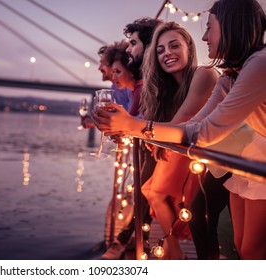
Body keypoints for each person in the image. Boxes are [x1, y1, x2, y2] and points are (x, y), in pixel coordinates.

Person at [93, 0, 266, 260]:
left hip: (253, 160)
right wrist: (133, 128)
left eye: (210, 28)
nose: (205, 36)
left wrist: (134, 127)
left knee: (251, 250)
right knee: (243, 247)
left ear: (232, 25)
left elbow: (204, 132)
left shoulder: (260, 64)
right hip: (248, 163)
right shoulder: (231, 75)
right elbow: (193, 126)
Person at [95, 21, 219, 259]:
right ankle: (174, 251)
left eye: (174, 46)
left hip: (215, 156)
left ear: (189, 48)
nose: (167, 54)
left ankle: (174, 251)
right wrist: (129, 130)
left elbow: (182, 122)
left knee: (178, 205)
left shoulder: (204, 74)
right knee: (155, 192)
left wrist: (130, 127)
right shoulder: (165, 86)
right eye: (161, 50)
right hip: (186, 148)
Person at [100, 17, 162, 260]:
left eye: (133, 43)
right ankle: (137, 241)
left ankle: (131, 242)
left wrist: (123, 126)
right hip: (147, 148)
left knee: (145, 194)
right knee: (143, 193)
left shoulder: (146, 85)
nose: (129, 49)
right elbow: (133, 120)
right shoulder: (140, 86)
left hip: (156, 150)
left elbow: (139, 120)